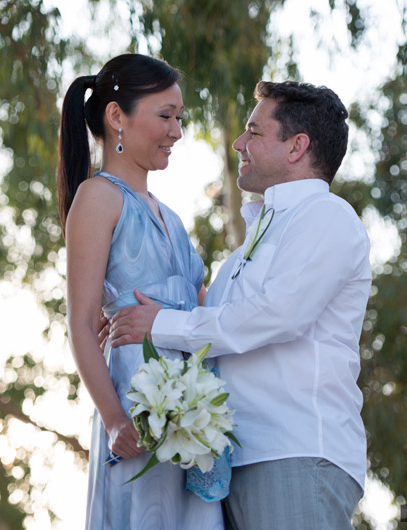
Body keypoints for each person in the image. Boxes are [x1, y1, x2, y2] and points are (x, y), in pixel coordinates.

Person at [109, 80, 372, 530]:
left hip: (296, 453)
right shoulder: (239, 257)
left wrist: (161, 324)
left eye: (254, 131)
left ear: (297, 147)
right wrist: (126, 318)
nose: (238, 144)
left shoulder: (327, 217)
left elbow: (278, 315)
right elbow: (214, 329)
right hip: (235, 465)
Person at [58, 53, 224, 530]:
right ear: (117, 118)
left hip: (196, 420)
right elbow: (83, 323)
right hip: (136, 410)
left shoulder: (172, 217)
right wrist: (114, 420)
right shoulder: (98, 198)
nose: (177, 131)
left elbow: (203, 308)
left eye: (180, 118)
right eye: (166, 116)